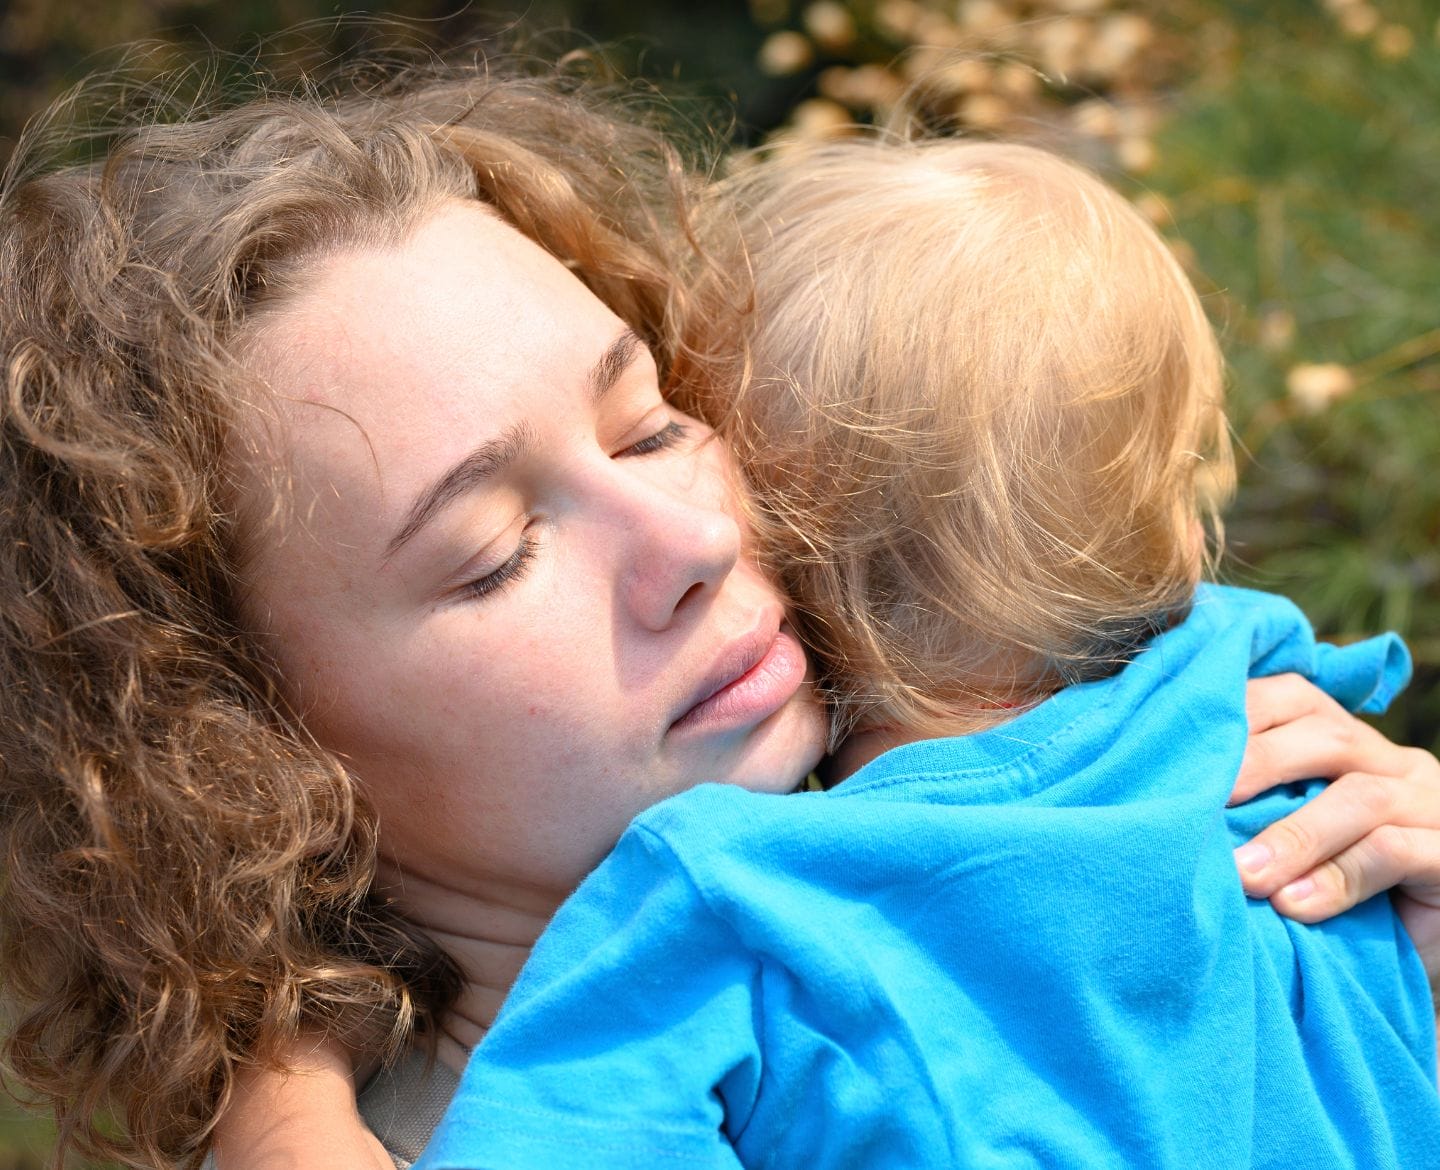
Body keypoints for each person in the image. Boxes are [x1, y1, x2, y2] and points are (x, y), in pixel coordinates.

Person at [0, 48, 1436, 1170]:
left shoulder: (1161, 814)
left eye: (652, 423)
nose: (692, 536)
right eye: (496, 551)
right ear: (233, 749)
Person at [407, 139, 1440, 1169]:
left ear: (778, 537)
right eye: (495, 555)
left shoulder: (738, 898)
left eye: (653, 434)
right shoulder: (1282, 732)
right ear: (1174, 512)